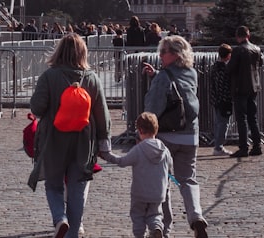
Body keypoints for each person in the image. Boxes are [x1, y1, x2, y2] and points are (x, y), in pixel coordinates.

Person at [28, 33, 111, 238]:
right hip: (84, 140)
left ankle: (60, 219)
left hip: (54, 138)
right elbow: (102, 113)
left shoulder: (49, 76)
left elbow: (37, 107)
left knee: (54, 184)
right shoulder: (92, 78)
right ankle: (72, 232)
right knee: (78, 187)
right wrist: (104, 140)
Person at [142, 35, 209, 238]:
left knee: (162, 181)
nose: (159, 55)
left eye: (163, 52)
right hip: (190, 136)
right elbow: (178, 89)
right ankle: (196, 215)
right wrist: (157, 76)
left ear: (175, 54)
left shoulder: (164, 77)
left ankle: (162, 226)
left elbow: (153, 108)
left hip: (166, 136)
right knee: (188, 179)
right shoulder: (191, 73)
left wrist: (144, 134)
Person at [98, 112, 173, 238]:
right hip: (157, 193)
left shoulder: (139, 149)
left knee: (138, 216)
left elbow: (122, 162)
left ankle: (140, 235)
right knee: (155, 215)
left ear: (140, 130)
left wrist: (107, 155)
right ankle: (156, 228)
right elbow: (169, 170)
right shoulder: (165, 150)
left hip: (140, 193)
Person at [227, 26, 263, 159]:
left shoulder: (238, 50)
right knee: (252, 117)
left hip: (240, 87)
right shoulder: (256, 49)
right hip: (254, 87)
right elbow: (260, 64)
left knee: (241, 119)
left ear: (238, 37)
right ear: (249, 35)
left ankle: (243, 147)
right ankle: (257, 145)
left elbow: (230, 69)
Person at [209, 44, 233, 155]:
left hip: (216, 99)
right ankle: (218, 147)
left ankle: (217, 145)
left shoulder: (215, 67)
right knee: (223, 123)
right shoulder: (226, 69)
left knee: (218, 122)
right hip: (224, 99)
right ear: (228, 55)